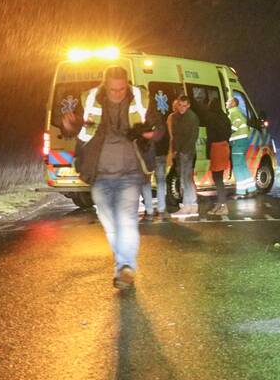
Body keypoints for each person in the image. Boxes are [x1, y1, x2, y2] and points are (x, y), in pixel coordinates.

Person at [61, 65, 154, 291]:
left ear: (127, 84)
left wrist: (151, 133)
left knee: (127, 219)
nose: (117, 94)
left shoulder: (140, 98)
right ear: (105, 85)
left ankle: (126, 267)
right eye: (113, 89)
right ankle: (121, 264)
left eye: (121, 89)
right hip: (100, 175)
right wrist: (69, 125)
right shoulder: (91, 99)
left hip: (130, 173)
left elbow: (158, 126)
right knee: (111, 225)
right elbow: (78, 127)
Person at [199, 97, 233, 217]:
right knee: (219, 177)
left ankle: (223, 205)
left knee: (217, 178)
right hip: (224, 147)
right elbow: (229, 133)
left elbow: (210, 136)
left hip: (216, 148)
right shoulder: (225, 117)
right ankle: (220, 204)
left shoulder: (211, 118)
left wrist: (208, 153)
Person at [169, 94, 200, 218]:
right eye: (180, 105)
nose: (182, 108)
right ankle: (193, 205)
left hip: (187, 152)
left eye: (184, 106)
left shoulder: (192, 118)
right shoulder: (177, 117)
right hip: (181, 152)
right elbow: (176, 136)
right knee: (186, 179)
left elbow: (193, 136)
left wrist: (183, 151)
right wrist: (175, 150)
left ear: (188, 105)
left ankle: (187, 206)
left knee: (185, 179)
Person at [139, 99, 168, 221]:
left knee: (146, 182)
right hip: (160, 153)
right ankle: (161, 208)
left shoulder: (141, 118)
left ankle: (149, 210)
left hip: (147, 154)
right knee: (160, 181)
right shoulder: (160, 118)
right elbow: (165, 136)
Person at [226, 96, 256, 195]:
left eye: (228, 101)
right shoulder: (239, 112)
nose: (226, 103)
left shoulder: (234, 113)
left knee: (237, 166)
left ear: (233, 103)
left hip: (238, 142)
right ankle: (251, 189)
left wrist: (225, 133)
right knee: (242, 166)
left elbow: (234, 126)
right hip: (242, 141)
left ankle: (241, 191)